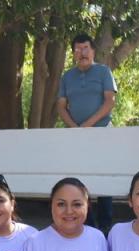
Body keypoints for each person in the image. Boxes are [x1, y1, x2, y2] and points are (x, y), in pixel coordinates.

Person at [57, 33, 117, 230]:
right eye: (77, 49)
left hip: (102, 134)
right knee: (81, 178)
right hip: (77, 137)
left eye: (85, 48)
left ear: (92, 50)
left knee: (104, 177)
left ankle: (106, 226)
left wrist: (88, 125)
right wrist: (76, 129)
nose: (81, 53)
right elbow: (61, 106)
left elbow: (110, 101)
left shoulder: (103, 71)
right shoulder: (67, 76)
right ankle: (87, 224)